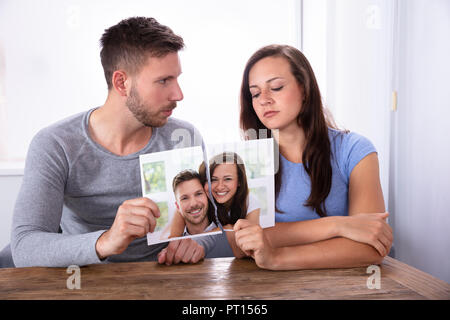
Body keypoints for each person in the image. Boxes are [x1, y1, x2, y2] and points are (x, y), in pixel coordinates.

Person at [10, 17, 214, 268]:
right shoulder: (55, 145)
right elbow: (25, 247)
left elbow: (208, 223)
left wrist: (197, 243)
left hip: (168, 278)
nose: (178, 94)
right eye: (163, 81)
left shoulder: (184, 137)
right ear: (121, 83)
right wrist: (105, 242)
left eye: (176, 78)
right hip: (86, 282)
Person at [234, 44, 393, 270]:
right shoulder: (249, 160)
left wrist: (277, 257)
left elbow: (372, 246)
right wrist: (338, 226)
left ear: (305, 89)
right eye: (255, 93)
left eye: (276, 87)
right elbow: (241, 243)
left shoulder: (355, 149)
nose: (264, 99)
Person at [169, 152, 260, 257]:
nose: (220, 187)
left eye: (227, 179)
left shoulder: (249, 201)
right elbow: (173, 239)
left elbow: (249, 241)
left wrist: (223, 231)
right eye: (213, 180)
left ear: (239, 181)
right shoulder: (200, 200)